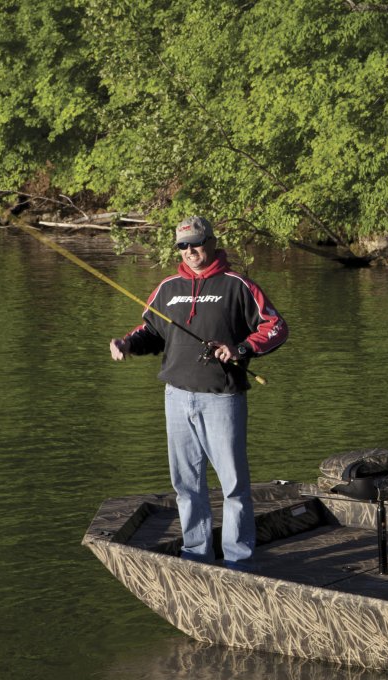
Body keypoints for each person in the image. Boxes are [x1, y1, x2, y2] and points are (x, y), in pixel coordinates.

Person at [109, 215, 288, 566]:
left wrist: (242, 348)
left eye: (195, 243)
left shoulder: (238, 285)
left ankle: (239, 559)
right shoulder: (168, 289)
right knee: (186, 485)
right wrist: (127, 344)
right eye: (182, 245)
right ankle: (196, 554)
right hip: (176, 397)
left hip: (222, 398)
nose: (189, 251)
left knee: (233, 486)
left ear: (211, 241)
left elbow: (276, 327)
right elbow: (150, 333)